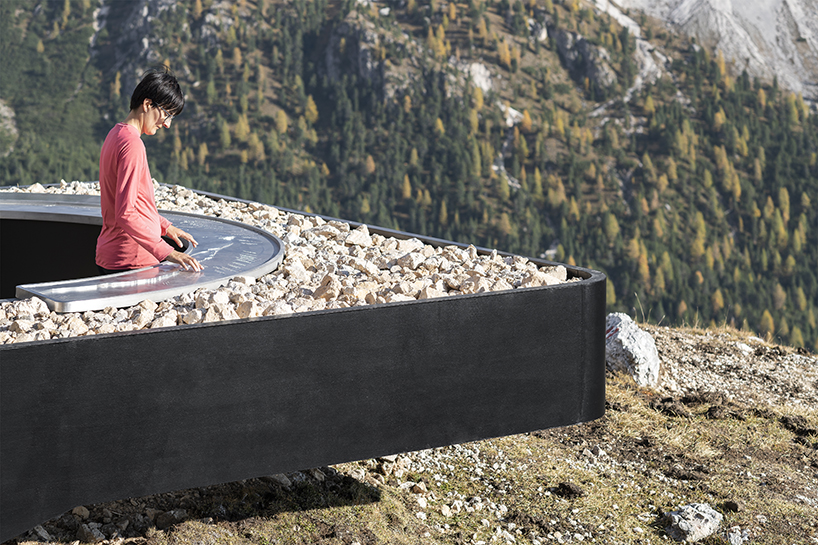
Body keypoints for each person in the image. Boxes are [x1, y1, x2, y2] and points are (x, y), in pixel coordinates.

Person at [96, 66, 203, 275]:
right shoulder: (132, 145)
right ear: (147, 104)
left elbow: (133, 202)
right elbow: (126, 213)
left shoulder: (115, 134)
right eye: (167, 114)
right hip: (131, 263)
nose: (167, 124)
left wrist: (164, 226)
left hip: (115, 256)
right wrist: (168, 252)